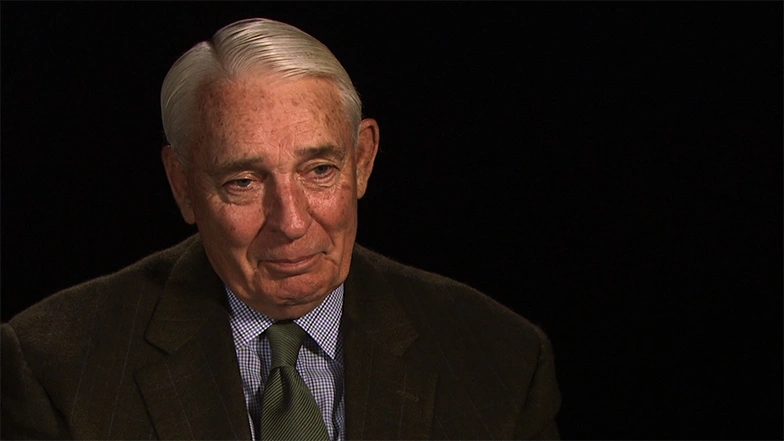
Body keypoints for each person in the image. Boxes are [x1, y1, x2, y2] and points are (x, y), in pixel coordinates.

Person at [1, 18, 561, 440]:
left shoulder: (500, 360)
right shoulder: (54, 367)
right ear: (182, 184)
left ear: (362, 160)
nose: (292, 223)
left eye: (319, 171)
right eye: (243, 181)